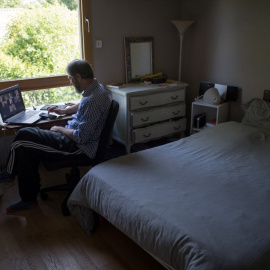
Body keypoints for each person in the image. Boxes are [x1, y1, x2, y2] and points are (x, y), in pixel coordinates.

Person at [1, 59, 112, 213]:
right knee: (25, 146)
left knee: (23, 135)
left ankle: (10, 174)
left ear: (78, 77)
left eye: (70, 78)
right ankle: (28, 197)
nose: (70, 82)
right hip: (73, 138)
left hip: (78, 147)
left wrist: (59, 129)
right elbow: (83, 104)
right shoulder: (96, 88)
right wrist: (63, 112)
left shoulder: (94, 98)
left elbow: (81, 137)